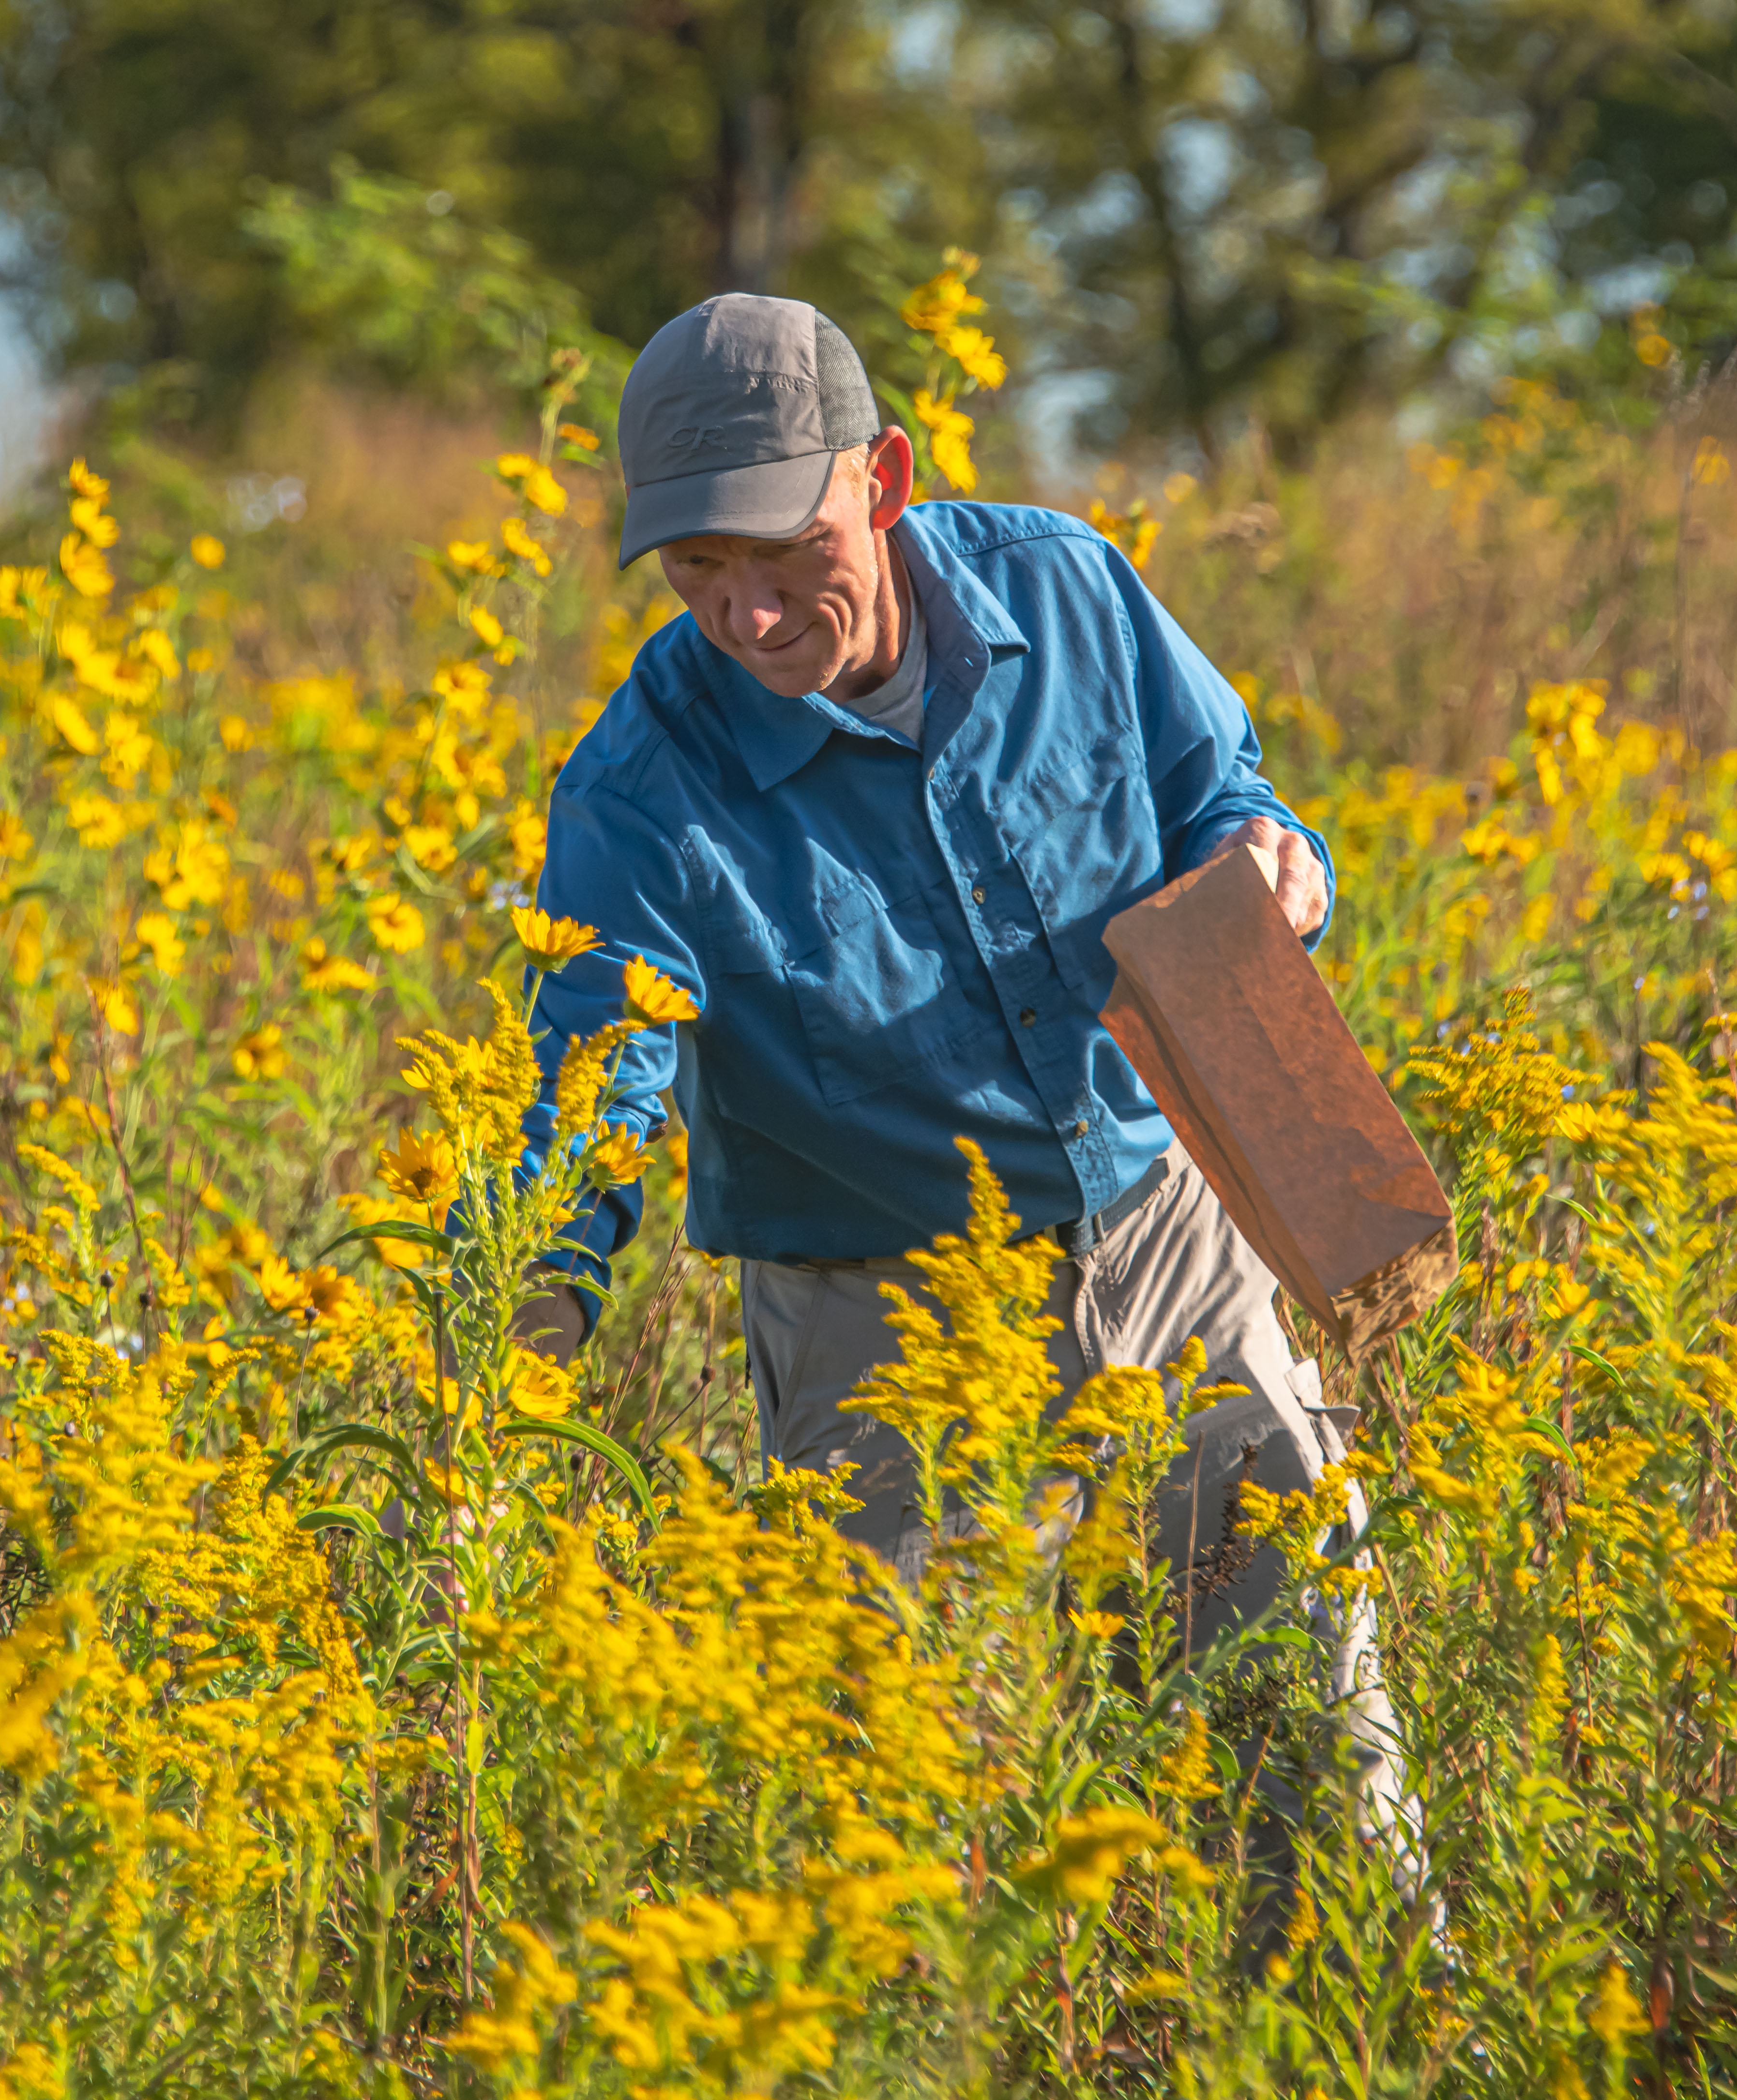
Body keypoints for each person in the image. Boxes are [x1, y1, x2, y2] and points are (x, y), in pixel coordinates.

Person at [511, 293, 1395, 1835]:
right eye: (696, 568)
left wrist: (1277, 868)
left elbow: (1226, 800)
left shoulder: (1070, 594)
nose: (747, 615)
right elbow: (597, 1099)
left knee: (1313, 1760)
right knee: (922, 1850)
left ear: (886, 477)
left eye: (784, 554)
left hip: (1172, 1242)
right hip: (892, 1331)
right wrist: (513, 1344)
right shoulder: (639, 793)